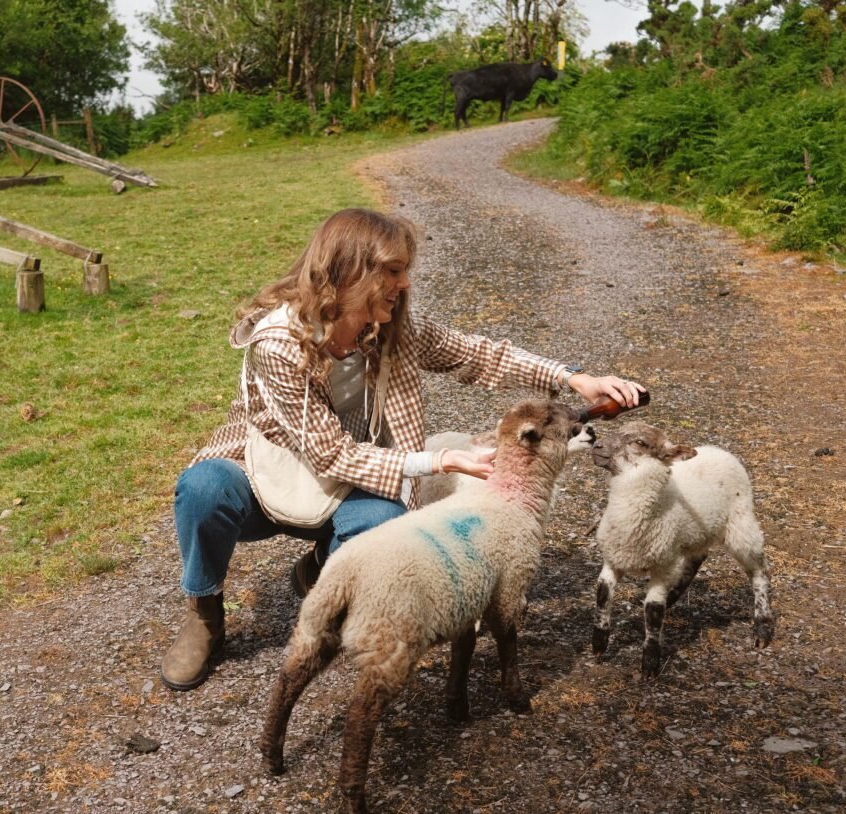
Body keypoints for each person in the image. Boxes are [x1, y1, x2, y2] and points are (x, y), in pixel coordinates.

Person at [160, 208, 645, 691]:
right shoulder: (278, 344)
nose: (405, 283)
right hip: (274, 474)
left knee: (384, 532)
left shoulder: (389, 329)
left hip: (354, 480)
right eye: (392, 271)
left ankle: (322, 564)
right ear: (347, 270)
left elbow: (479, 354)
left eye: (404, 270)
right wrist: (440, 460)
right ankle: (204, 612)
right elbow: (330, 455)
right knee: (202, 488)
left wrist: (572, 378)